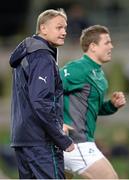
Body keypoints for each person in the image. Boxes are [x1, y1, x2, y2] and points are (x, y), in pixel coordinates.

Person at [9, 9, 74, 179]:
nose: (64, 32)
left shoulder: (27, 55)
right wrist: (61, 138)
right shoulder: (42, 57)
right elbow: (40, 102)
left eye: (65, 28)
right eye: (59, 27)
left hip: (23, 139)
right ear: (43, 28)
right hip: (41, 142)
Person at [60, 25, 126, 179]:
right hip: (75, 142)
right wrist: (56, 123)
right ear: (93, 47)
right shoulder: (78, 68)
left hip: (79, 142)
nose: (112, 46)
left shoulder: (100, 76)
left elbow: (92, 108)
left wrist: (111, 106)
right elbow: (46, 91)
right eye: (107, 42)